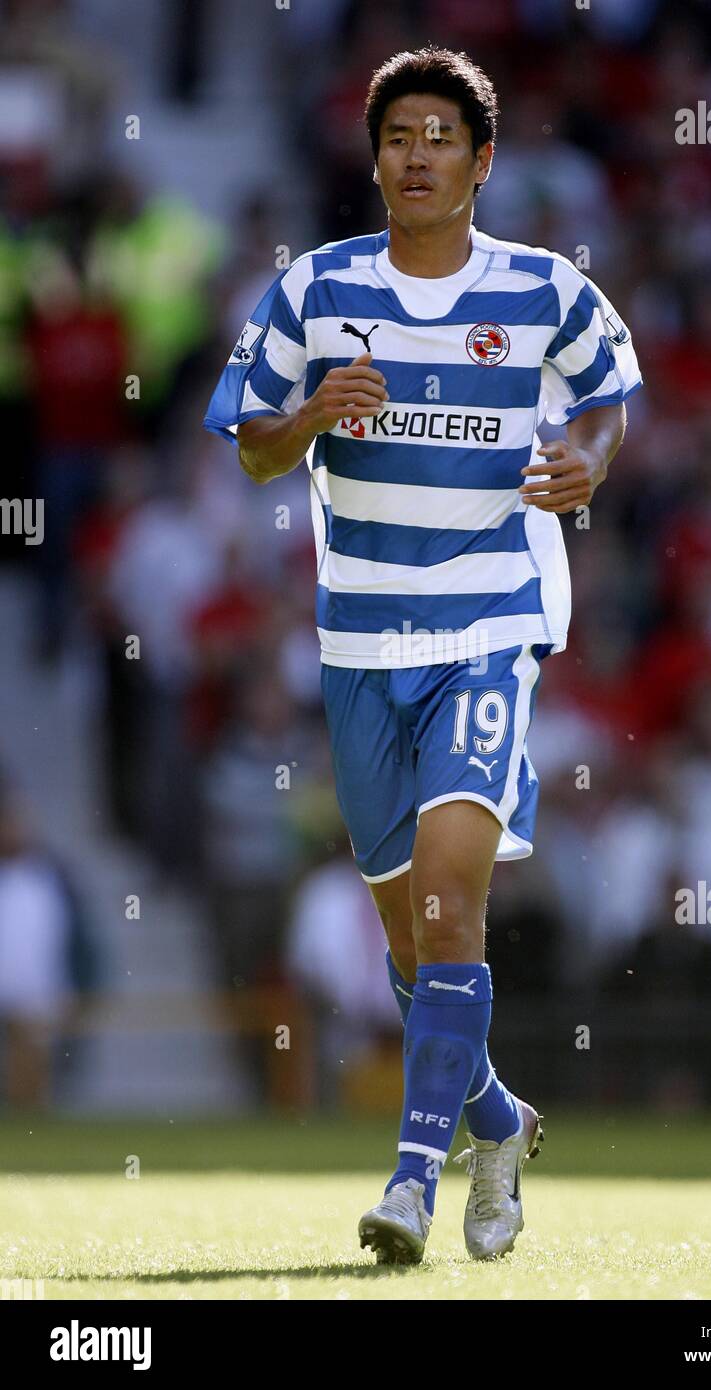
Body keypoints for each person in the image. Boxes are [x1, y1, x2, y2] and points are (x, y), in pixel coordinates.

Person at [203, 45, 641, 1263]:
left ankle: (410, 1186)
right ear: (375, 156)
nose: (417, 154)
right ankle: (494, 1122)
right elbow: (249, 449)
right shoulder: (314, 290)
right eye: (399, 135)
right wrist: (310, 417)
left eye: (441, 135)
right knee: (407, 943)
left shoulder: (545, 289)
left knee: (454, 904)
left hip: (486, 625)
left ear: (481, 160)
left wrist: (585, 462)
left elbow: (608, 398)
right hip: (357, 642)